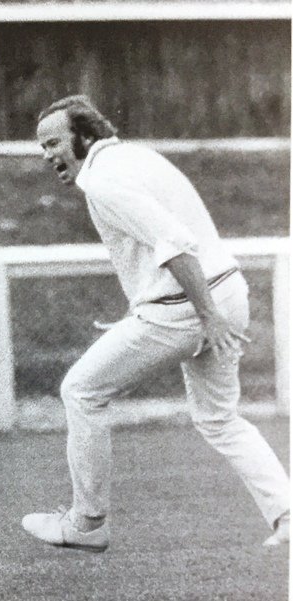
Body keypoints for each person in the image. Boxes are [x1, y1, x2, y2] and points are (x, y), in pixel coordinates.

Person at [22, 96, 290, 552]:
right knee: (219, 419)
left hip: (190, 307)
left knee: (81, 391)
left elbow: (174, 245)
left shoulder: (103, 183)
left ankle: (87, 523)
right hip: (226, 291)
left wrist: (206, 316)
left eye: (53, 143)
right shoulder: (136, 157)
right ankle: (288, 512)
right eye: (42, 147)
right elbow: (168, 243)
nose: (48, 155)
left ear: (85, 138)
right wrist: (169, 309)